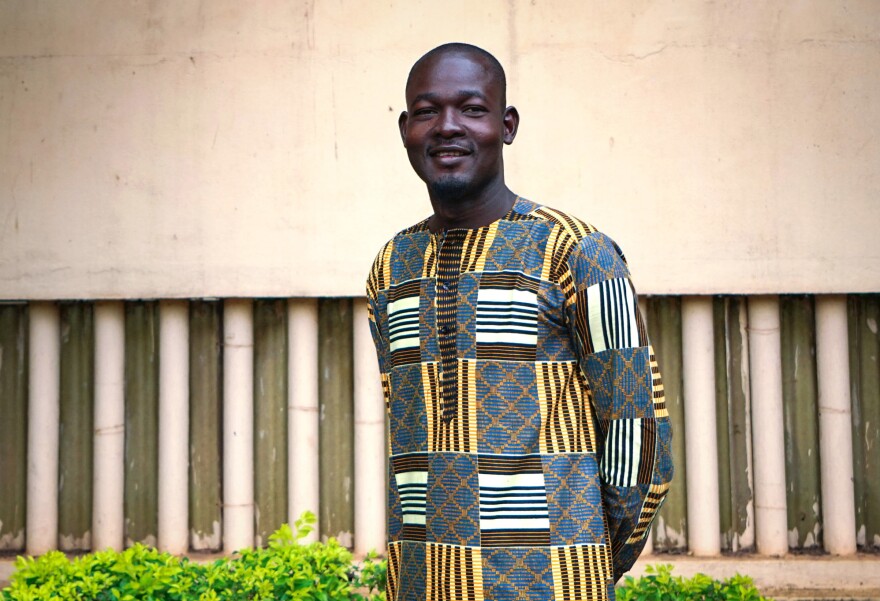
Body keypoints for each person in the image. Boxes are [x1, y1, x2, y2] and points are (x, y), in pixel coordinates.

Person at [366, 42, 673, 601]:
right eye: (428, 111)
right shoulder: (391, 267)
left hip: (553, 581)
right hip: (419, 581)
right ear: (406, 129)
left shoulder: (575, 252)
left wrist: (586, 556)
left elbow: (638, 436)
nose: (448, 127)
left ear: (507, 126)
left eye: (472, 109)